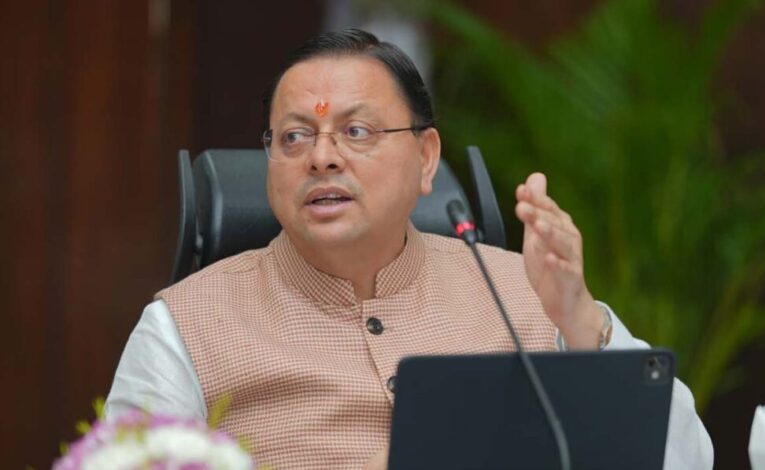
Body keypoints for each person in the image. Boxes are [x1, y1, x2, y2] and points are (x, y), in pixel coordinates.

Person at [106, 29, 713, 469]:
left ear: (426, 159)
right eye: (294, 136)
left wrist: (580, 320)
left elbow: (684, 460)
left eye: (356, 131)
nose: (322, 156)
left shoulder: (525, 296)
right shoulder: (187, 325)